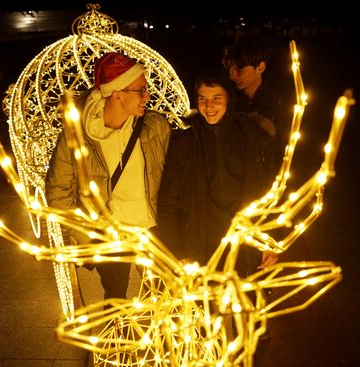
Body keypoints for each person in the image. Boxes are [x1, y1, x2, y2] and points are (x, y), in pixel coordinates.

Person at [45, 52, 171, 301]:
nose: (147, 96)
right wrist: (89, 237)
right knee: (116, 302)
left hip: (151, 229)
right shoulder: (76, 133)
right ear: (117, 94)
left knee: (161, 298)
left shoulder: (155, 127)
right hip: (110, 236)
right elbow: (57, 191)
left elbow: (175, 176)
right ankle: (118, 339)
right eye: (141, 90)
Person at [156, 66, 278, 271]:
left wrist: (269, 240)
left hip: (244, 249)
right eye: (202, 98)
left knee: (244, 302)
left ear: (229, 99)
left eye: (216, 98)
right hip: (201, 251)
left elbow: (269, 192)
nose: (209, 106)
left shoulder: (251, 138)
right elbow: (168, 203)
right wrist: (178, 251)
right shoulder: (184, 144)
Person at [223, 33, 293, 160]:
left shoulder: (279, 104)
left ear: (260, 67)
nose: (232, 76)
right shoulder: (230, 98)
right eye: (231, 69)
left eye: (239, 70)